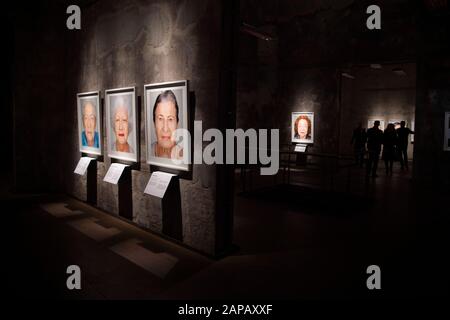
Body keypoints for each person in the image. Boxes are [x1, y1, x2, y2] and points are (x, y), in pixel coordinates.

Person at [151, 90, 183, 160]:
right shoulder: (149, 152)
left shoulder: (184, 156)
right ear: (154, 123)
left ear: (177, 124)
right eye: (160, 119)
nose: (165, 128)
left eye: (170, 119)